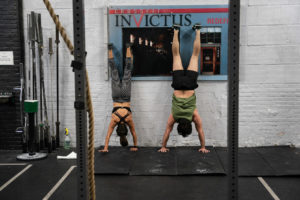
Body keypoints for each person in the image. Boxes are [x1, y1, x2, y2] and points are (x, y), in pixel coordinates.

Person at [158, 24, 210, 153]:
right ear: (179, 126)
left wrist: (203, 147)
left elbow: (200, 131)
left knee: (195, 56)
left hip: (190, 84)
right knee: (176, 55)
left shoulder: (194, 116)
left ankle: (197, 30)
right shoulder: (174, 117)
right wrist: (163, 146)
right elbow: (167, 131)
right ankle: (176, 30)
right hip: (178, 83)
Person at [99, 44, 138, 152]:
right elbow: (108, 135)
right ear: (117, 130)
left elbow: (134, 133)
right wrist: (105, 148)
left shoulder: (128, 119)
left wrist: (135, 146)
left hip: (126, 97)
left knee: (128, 70)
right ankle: (110, 49)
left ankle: (128, 47)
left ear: (126, 130)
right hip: (116, 97)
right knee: (114, 70)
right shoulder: (114, 120)